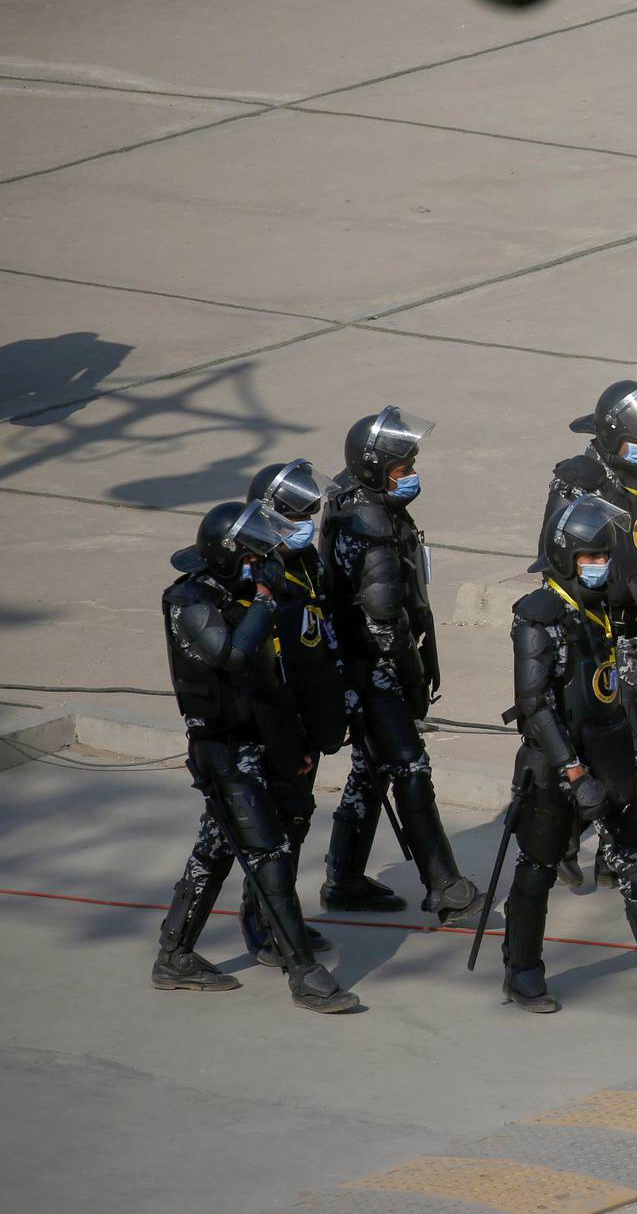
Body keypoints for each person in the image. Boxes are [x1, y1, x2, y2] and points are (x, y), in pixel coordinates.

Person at [499, 496, 637, 1016]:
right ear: (564, 558)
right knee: (537, 865)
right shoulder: (538, 618)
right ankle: (523, 969)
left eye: (605, 556)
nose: (600, 567)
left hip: (611, 749)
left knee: (635, 863)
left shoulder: (597, 606)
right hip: (560, 764)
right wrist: (573, 773)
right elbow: (534, 706)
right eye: (589, 558)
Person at [154, 500, 358, 1013]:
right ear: (225, 554)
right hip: (221, 749)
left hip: (262, 740)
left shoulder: (255, 594)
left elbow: (282, 676)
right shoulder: (189, 600)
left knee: (217, 848)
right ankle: (303, 972)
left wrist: (297, 743)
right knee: (265, 854)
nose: (258, 565)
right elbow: (232, 656)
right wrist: (266, 598)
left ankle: (175, 953)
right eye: (249, 557)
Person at [320, 407, 481, 923]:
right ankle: (443, 884)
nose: (411, 476)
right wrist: (413, 680)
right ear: (373, 470)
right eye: (401, 469)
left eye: (411, 465)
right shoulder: (370, 526)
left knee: (372, 768)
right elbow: (385, 620)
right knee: (410, 766)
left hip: (358, 663)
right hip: (373, 668)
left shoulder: (355, 500)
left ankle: (344, 877)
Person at [546, 381, 637, 889]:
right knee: (607, 749)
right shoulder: (579, 481)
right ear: (610, 432)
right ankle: (564, 841)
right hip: (599, 639)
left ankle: (620, 851)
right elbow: (558, 561)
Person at [236, 460, 350, 966]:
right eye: (298, 513)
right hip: (272, 724)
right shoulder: (255, 573)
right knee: (270, 832)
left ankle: (283, 913)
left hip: (308, 713)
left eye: (312, 511)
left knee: (297, 822)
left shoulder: (306, 563)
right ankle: (261, 923)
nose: (308, 520)